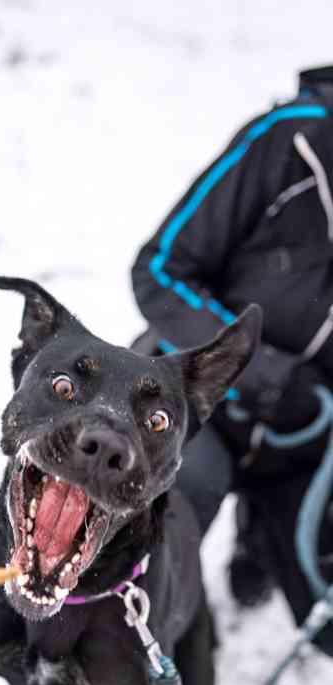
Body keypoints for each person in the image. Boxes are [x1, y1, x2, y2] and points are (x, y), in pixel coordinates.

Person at [131, 65, 333, 654]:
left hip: (308, 435)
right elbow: (158, 271)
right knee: (162, 551)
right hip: (197, 400)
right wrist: (264, 371)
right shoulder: (287, 140)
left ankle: (260, 541)